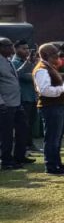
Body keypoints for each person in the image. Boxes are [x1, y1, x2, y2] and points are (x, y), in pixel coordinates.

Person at [33, 43, 64, 174]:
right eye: (54, 53)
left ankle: (57, 163)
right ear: (45, 55)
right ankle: (50, 166)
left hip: (56, 106)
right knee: (51, 138)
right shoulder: (41, 69)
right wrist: (62, 89)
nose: (58, 55)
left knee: (57, 137)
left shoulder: (50, 66)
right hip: (49, 107)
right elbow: (44, 90)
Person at [13, 40, 40, 156]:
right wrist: (35, 75)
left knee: (31, 123)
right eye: (24, 48)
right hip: (23, 97)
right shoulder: (14, 62)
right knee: (23, 124)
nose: (27, 51)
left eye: (27, 48)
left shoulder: (28, 61)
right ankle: (23, 148)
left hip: (32, 97)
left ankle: (29, 145)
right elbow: (24, 76)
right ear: (16, 49)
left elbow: (35, 73)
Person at [0, 37, 23, 171]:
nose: (11, 49)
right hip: (5, 104)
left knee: (22, 129)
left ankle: (19, 157)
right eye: (8, 46)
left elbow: (13, 76)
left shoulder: (8, 60)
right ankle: (6, 160)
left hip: (16, 102)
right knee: (6, 134)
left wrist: (27, 63)